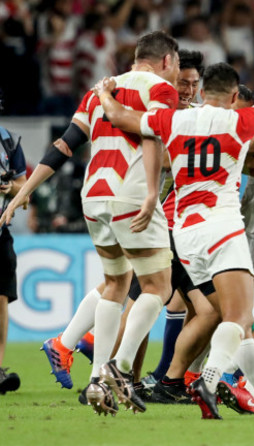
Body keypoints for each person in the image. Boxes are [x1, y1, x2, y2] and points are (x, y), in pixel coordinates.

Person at [95, 42, 254, 419]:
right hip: (222, 226)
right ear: (235, 96)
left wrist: (105, 93)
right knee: (237, 319)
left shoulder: (173, 120)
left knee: (236, 322)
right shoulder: (241, 121)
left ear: (202, 92)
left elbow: (122, 117)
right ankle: (207, 377)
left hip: (185, 234)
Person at [1, 30, 181, 415]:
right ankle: (118, 369)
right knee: (158, 285)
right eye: (177, 64)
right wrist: (152, 191)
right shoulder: (162, 89)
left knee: (116, 284)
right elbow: (151, 135)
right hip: (129, 192)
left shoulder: (96, 91)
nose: (177, 73)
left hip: (93, 196)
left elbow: (64, 145)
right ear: (166, 61)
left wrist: (22, 191)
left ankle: (98, 376)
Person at [0, 119, 26, 395]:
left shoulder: (8, 141)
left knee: (0, 301)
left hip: (0, 233)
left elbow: (25, 190)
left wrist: (11, 189)